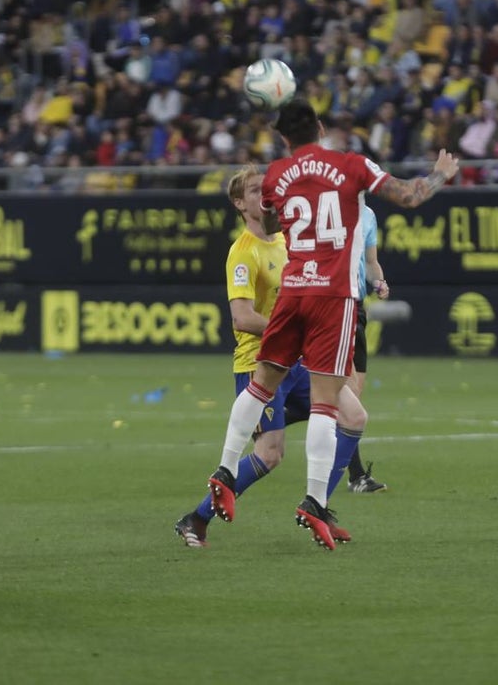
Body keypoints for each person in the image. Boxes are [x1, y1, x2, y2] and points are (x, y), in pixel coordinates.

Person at [201, 99, 458, 550]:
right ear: (320, 128)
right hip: (332, 295)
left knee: (261, 385)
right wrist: (440, 174)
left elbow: (274, 215)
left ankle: (224, 470)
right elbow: (410, 195)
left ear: (284, 138)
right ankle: (313, 501)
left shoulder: (277, 174)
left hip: (293, 289)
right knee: (326, 404)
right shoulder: (351, 164)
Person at [174, 166, 360, 548]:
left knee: (354, 417)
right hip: (261, 363)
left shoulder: (288, 239)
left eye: (268, 188)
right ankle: (195, 518)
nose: (266, 194)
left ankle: (319, 507)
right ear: (240, 204)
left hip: (301, 358)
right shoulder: (242, 253)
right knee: (270, 454)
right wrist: (297, 335)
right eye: (256, 190)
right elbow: (242, 318)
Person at [343, 203, 390, 494]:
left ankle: (286, 411)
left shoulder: (368, 214)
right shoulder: (328, 205)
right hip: (337, 306)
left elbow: (371, 261)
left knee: (353, 396)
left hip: (358, 307)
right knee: (346, 397)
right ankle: (356, 475)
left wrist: (379, 281)